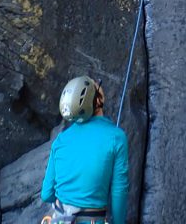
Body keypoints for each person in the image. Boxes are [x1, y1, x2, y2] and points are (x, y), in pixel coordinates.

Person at [40, 76, 129, 224]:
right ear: (97, 100)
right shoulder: (116, 138)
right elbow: (119, 192)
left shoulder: (61, 140)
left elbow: (46, 194)